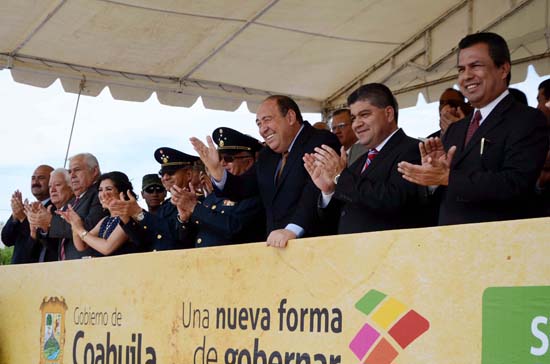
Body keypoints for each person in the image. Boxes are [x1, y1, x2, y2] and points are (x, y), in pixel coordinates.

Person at [398, 32, 549, 225]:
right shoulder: (456, 129)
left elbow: (515, 183)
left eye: (476, 66)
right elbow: (444, 191)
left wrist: (448, 177)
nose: (466, 76)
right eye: (461, 69)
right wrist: (433, 177)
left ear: (503, 69)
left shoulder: (527, 119)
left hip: (500, 243)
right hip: (450, 240)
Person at [190, 95, 341, 248]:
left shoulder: (320, 140)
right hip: (277, 247)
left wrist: (292, 229)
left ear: (290, 117)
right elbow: (243, 188)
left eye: (267, 120)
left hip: (314, 246)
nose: (262, 129)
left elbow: (315, 189)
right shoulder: (268, 155)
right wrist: (217, 170)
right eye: (259, 124)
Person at [304, 83, 431, 233]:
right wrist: (329, 191)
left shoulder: (414, 149)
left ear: (389, 114)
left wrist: (340, 177)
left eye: (364, 115)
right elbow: (341, 215)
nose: (357, 124)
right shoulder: (359, 161)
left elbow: (394, 200)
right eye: (353, 118)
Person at [172, 127, 266, 247]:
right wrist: (184, 219)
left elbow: (235, 228)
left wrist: (195, 208)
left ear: (248, 162)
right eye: (220, 158)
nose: (221, 164)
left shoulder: (256, 191)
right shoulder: (212, 197)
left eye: (228, 159)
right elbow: (188, 241)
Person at [110, 147, 199, 250]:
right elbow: (144, 242)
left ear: (188, 174)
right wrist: (126, 219)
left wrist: (139, 213)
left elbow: (177, 234)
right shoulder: (164, 207)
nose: (165, 178)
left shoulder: (198, 202)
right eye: (162, 173)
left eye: (170, 172)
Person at [58, 171, 139, 256]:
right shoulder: (105, 220)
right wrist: (74, 225)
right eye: (100, 190)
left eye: (108, 189)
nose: (103, 194)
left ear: (122, 192)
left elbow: (107, 248)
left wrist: (80, 229)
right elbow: (81, 245)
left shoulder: (128, 218)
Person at [42, 153, 106, 259]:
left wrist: (51, 221)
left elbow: (88, 228)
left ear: (94, 171)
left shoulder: (99, 194)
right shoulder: (74, 202)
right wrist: (44, 227)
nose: (72, 175)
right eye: (70, 172)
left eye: (77, 170)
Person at [1, 164, 53, 264]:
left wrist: (23, 219)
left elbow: (43, 242)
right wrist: (15, 217)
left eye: (41, 178)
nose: (35, 182)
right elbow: (6, 240)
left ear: (52, 181)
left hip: (39, 270)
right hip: (16, 271)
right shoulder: (25, 208)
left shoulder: (54, 208)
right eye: (33, 178)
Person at [26, 168, 74, 262]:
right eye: (50, 186)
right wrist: (35, 231)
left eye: (57, 185)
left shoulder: (73, 211)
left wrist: (49, 223)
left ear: (71, 188)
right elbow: (30, 255)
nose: (52, 190)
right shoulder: (48, 213)